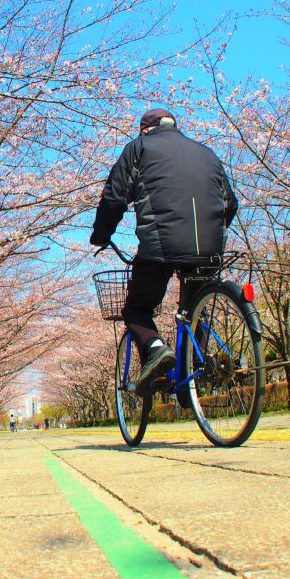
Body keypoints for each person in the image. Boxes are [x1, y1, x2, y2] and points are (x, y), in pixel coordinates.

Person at [90, 108, 238, 398]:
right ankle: (192, 374)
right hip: (209, 247)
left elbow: (114, 197)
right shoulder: (207, 153)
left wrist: (101, 235)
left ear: (145, 129)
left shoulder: (139, 148)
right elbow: (230, 204)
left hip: (161, 247)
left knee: (136, 308)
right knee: (194, 308)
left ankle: (157, 349)